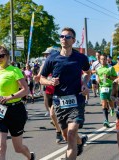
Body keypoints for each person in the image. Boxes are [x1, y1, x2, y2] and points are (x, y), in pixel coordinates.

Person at [40, 27, 91, 159]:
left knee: (71, 133)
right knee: (66, 135)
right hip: (59, 102)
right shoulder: (52, 58)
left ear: (73, 40)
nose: (63, 39)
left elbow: (87, 72)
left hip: (76, 100)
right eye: (62, 36)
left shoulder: (80, 58)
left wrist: (84, 84)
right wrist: (50, 82)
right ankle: (80, 142)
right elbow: (41, 78)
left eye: (67, 37)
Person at [0, 46, 35, 160]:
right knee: (0, 146)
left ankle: (30, 157)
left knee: (18, 148)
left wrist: (9, 97)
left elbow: (26, 89)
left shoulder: (14, 70)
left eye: (1, 56)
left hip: (15, 111)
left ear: (7, 57)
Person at [35, 47, 64, 144]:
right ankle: (59, 129)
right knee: (52, 114)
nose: (45, 56)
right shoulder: (45, 64)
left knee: (53, 114)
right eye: (45, 55)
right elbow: (39, 78)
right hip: (49, 91)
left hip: (59, 92)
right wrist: (36, 77)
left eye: (47, 54)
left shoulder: (60, 63)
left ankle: (58, 132)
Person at [96, 54, 117, 128]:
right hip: (102, 88)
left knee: (110, 102)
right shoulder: (98, 69)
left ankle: (112, 108)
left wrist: (109, 77)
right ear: (100, 60)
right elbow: (97, 77)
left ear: (107, 59)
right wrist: (97, 80)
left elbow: (115, 77)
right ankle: (106, 120)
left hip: (110, 87)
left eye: (104, 59)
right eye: (101, 59)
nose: (103, 60)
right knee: (104, 104)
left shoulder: (111, 68)